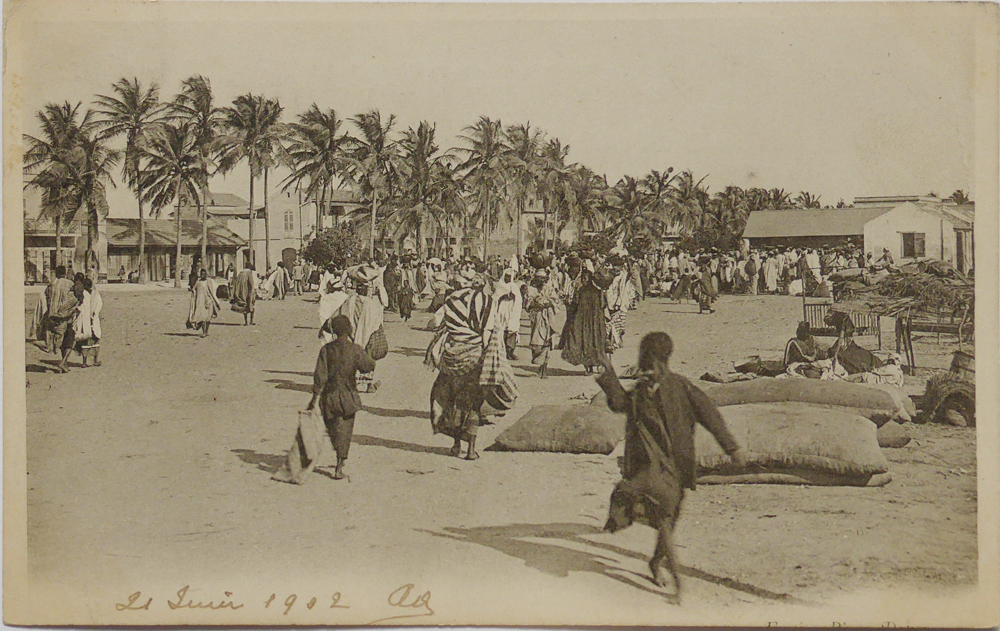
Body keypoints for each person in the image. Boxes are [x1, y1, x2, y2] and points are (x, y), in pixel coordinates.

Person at [597, 332, 745, 599]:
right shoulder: (641, 392)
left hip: (676, 466)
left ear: (664, 361)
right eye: (647, 364)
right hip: (646, 467)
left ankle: (656, 561)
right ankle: (678, 585)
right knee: (664, 518)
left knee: (670, 520)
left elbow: (709, 415)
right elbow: (620, 404)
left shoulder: (681, 388)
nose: (650, 370)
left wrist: (731, 447)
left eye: (654, 363)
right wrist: (609, 377)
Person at [425, 261, 492, 460]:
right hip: (474, 355)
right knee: (473, 402)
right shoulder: (486, 299)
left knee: (453, 399)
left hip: (452, 355)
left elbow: (438, 324)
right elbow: (487, 332)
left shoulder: (451, 299)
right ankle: (471, 450)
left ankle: (455, 445)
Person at [305, 315, 376, 480]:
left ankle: (337, 452)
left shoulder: (326, 350)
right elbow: (368, 366)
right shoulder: (355, 349)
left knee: (334, 429)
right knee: (346, 430)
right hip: (348, 396)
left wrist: (314, 399)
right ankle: (339, 465)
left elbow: (320, 376)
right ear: (350, 330)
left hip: (329, 398)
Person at [559, 261, 609, 374]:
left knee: (588, 342)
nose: (583, 281)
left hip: (592, 322)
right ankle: (589, 367)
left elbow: (602, 306)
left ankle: (593, 366)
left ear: (590, 279)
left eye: (585, 279)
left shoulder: (594, 292)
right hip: (587, 322)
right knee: (586, 343)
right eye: (582, 279)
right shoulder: (586, 291)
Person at [44, 265, 80, 373]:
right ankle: (63, 361)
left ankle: (64, 364)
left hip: (53, 316)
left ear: (56, 273)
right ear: (65, 273)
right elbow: (74, 298)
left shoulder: (51, 285)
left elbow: (47, 298)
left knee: (61, 339)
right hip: (65, 317)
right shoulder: (69, 284)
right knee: (70, 340)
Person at [525, 269, 558, 379]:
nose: (541, 281)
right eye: (538, 278)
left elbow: (555, 300)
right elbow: (527, 305)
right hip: (537, 318)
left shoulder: (549, 289)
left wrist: (548, 303)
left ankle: (544, 369)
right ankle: (539, 365)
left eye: (543, 279)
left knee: (547, 343)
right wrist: (536, 303)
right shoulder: (531, 290)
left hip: (548, 319)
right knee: (536, 344)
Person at [74, 278, 103, 367]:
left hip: (85, 320)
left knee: (85, 341)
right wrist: (95, 313)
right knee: (95, 340)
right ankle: (94, 360)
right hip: (93, 319)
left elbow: (78, 307)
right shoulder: (95, 293)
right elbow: (100, 305)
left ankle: (85, 362)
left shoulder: (82, 294)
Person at [188, 269, 220, 337]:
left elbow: (214, 290)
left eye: (204, 274)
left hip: (208, 301)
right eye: (201, 274)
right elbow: (194, 289)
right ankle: (203, 332)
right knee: (202, 317)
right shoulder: (198, 282)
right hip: (200, 302)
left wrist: (214, 299)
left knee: (208, 318)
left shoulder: (209, 281)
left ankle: (206, 331)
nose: (203, 275)